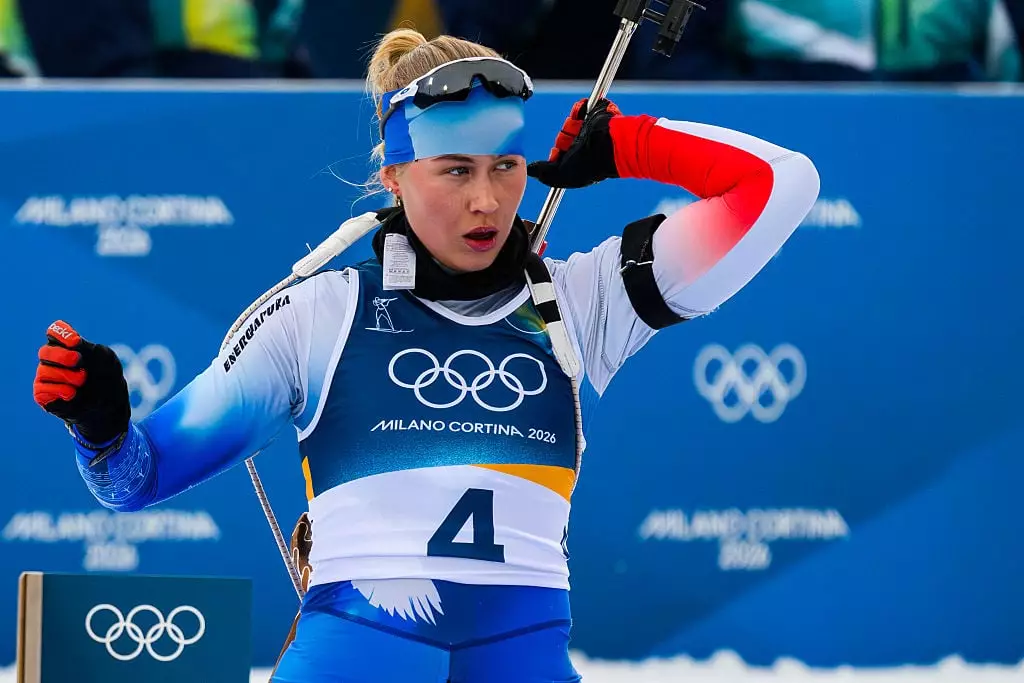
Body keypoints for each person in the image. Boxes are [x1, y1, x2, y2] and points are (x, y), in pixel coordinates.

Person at [31, 28, 820, 683]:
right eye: (455, 171)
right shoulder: (319, 311)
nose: (487, 200)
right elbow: (135, 480)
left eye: (505, 167)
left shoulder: (584, 300)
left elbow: (782, 185)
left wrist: (630, 144)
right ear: (395, 175)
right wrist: (98, 423)